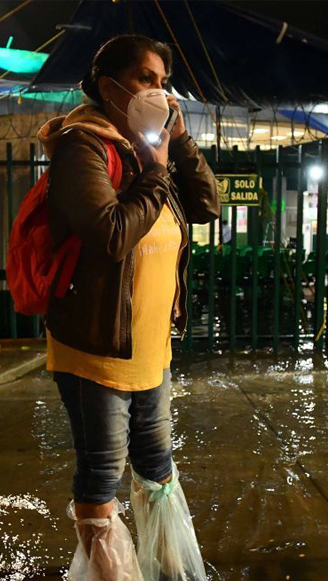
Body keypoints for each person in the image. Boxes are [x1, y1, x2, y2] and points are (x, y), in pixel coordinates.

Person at [36, 34, 220, 580]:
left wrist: (178, 143)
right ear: (109, 86)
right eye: (146, 79)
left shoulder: (147, 145)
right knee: (101, 475)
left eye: (164, 82)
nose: (159, 91)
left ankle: (168, 567)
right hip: (97, 347)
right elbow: (111, 234)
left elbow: (207, 204)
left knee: (157, 466)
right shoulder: (82, 146)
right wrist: (156, 172)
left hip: (150, 346)